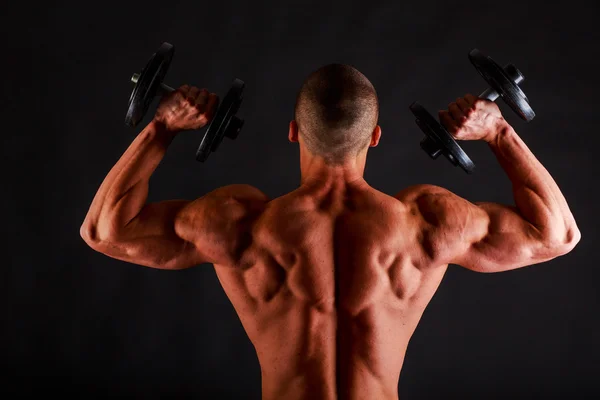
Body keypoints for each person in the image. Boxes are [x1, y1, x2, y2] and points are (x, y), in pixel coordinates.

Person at [80, 64, 580, 400]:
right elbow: (557, 236)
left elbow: (105, 231)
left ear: (294, 130)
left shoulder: (241, 222)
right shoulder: (424, 222)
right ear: (377, 136)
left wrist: (161, 127)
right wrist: (498, 132)